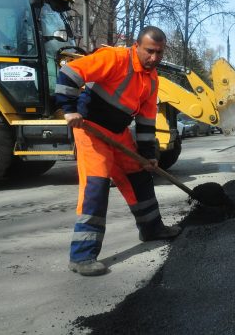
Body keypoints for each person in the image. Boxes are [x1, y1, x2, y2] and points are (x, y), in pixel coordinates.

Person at [56, 26, 182, 276]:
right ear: (137, 46)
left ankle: (151, 229)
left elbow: (146, 122)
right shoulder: (114, 59)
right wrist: (69, 109)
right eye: (149, 51)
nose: (154, 58)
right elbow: (70, 72)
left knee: (139, 175)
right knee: (97, 184)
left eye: (159, 52)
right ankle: (81, 256)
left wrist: (149, 155)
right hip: (90, 127)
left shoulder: (152, 79)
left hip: (118, 132)